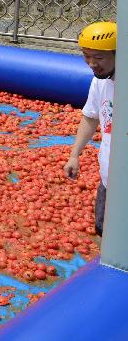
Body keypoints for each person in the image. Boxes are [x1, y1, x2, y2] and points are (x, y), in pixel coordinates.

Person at [64, 21, 116, 236]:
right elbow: (90, 117)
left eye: (99, 57)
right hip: (108, 176)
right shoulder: (100, 81)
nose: (91, 63)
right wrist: (74, 154)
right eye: (87, 55)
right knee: (104, 230)